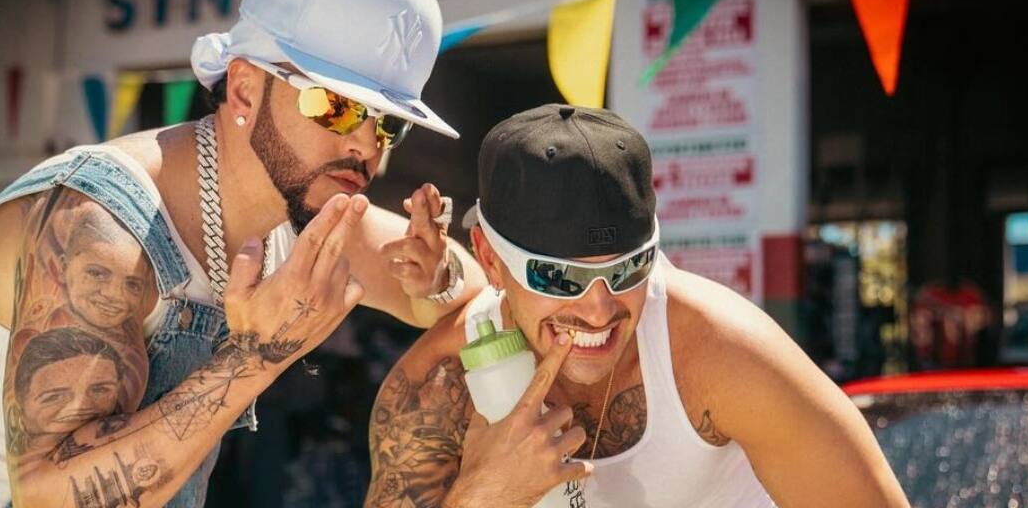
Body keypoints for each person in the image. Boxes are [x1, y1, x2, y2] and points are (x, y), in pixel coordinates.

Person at [0, 0, 484, 506]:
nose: (365, 144)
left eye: (389, 124)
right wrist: (258, 355)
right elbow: (45, 495)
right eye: (336, 106)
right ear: (244, 88)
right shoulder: (100, 226)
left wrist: (434, 279)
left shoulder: (303, 202)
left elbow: (468, 289)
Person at [365, 105, 909, 507]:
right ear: (489, 255)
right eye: (558, 276)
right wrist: (486, 495)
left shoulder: (721, 354)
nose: (599, 311)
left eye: (628, 268)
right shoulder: (437, 385)